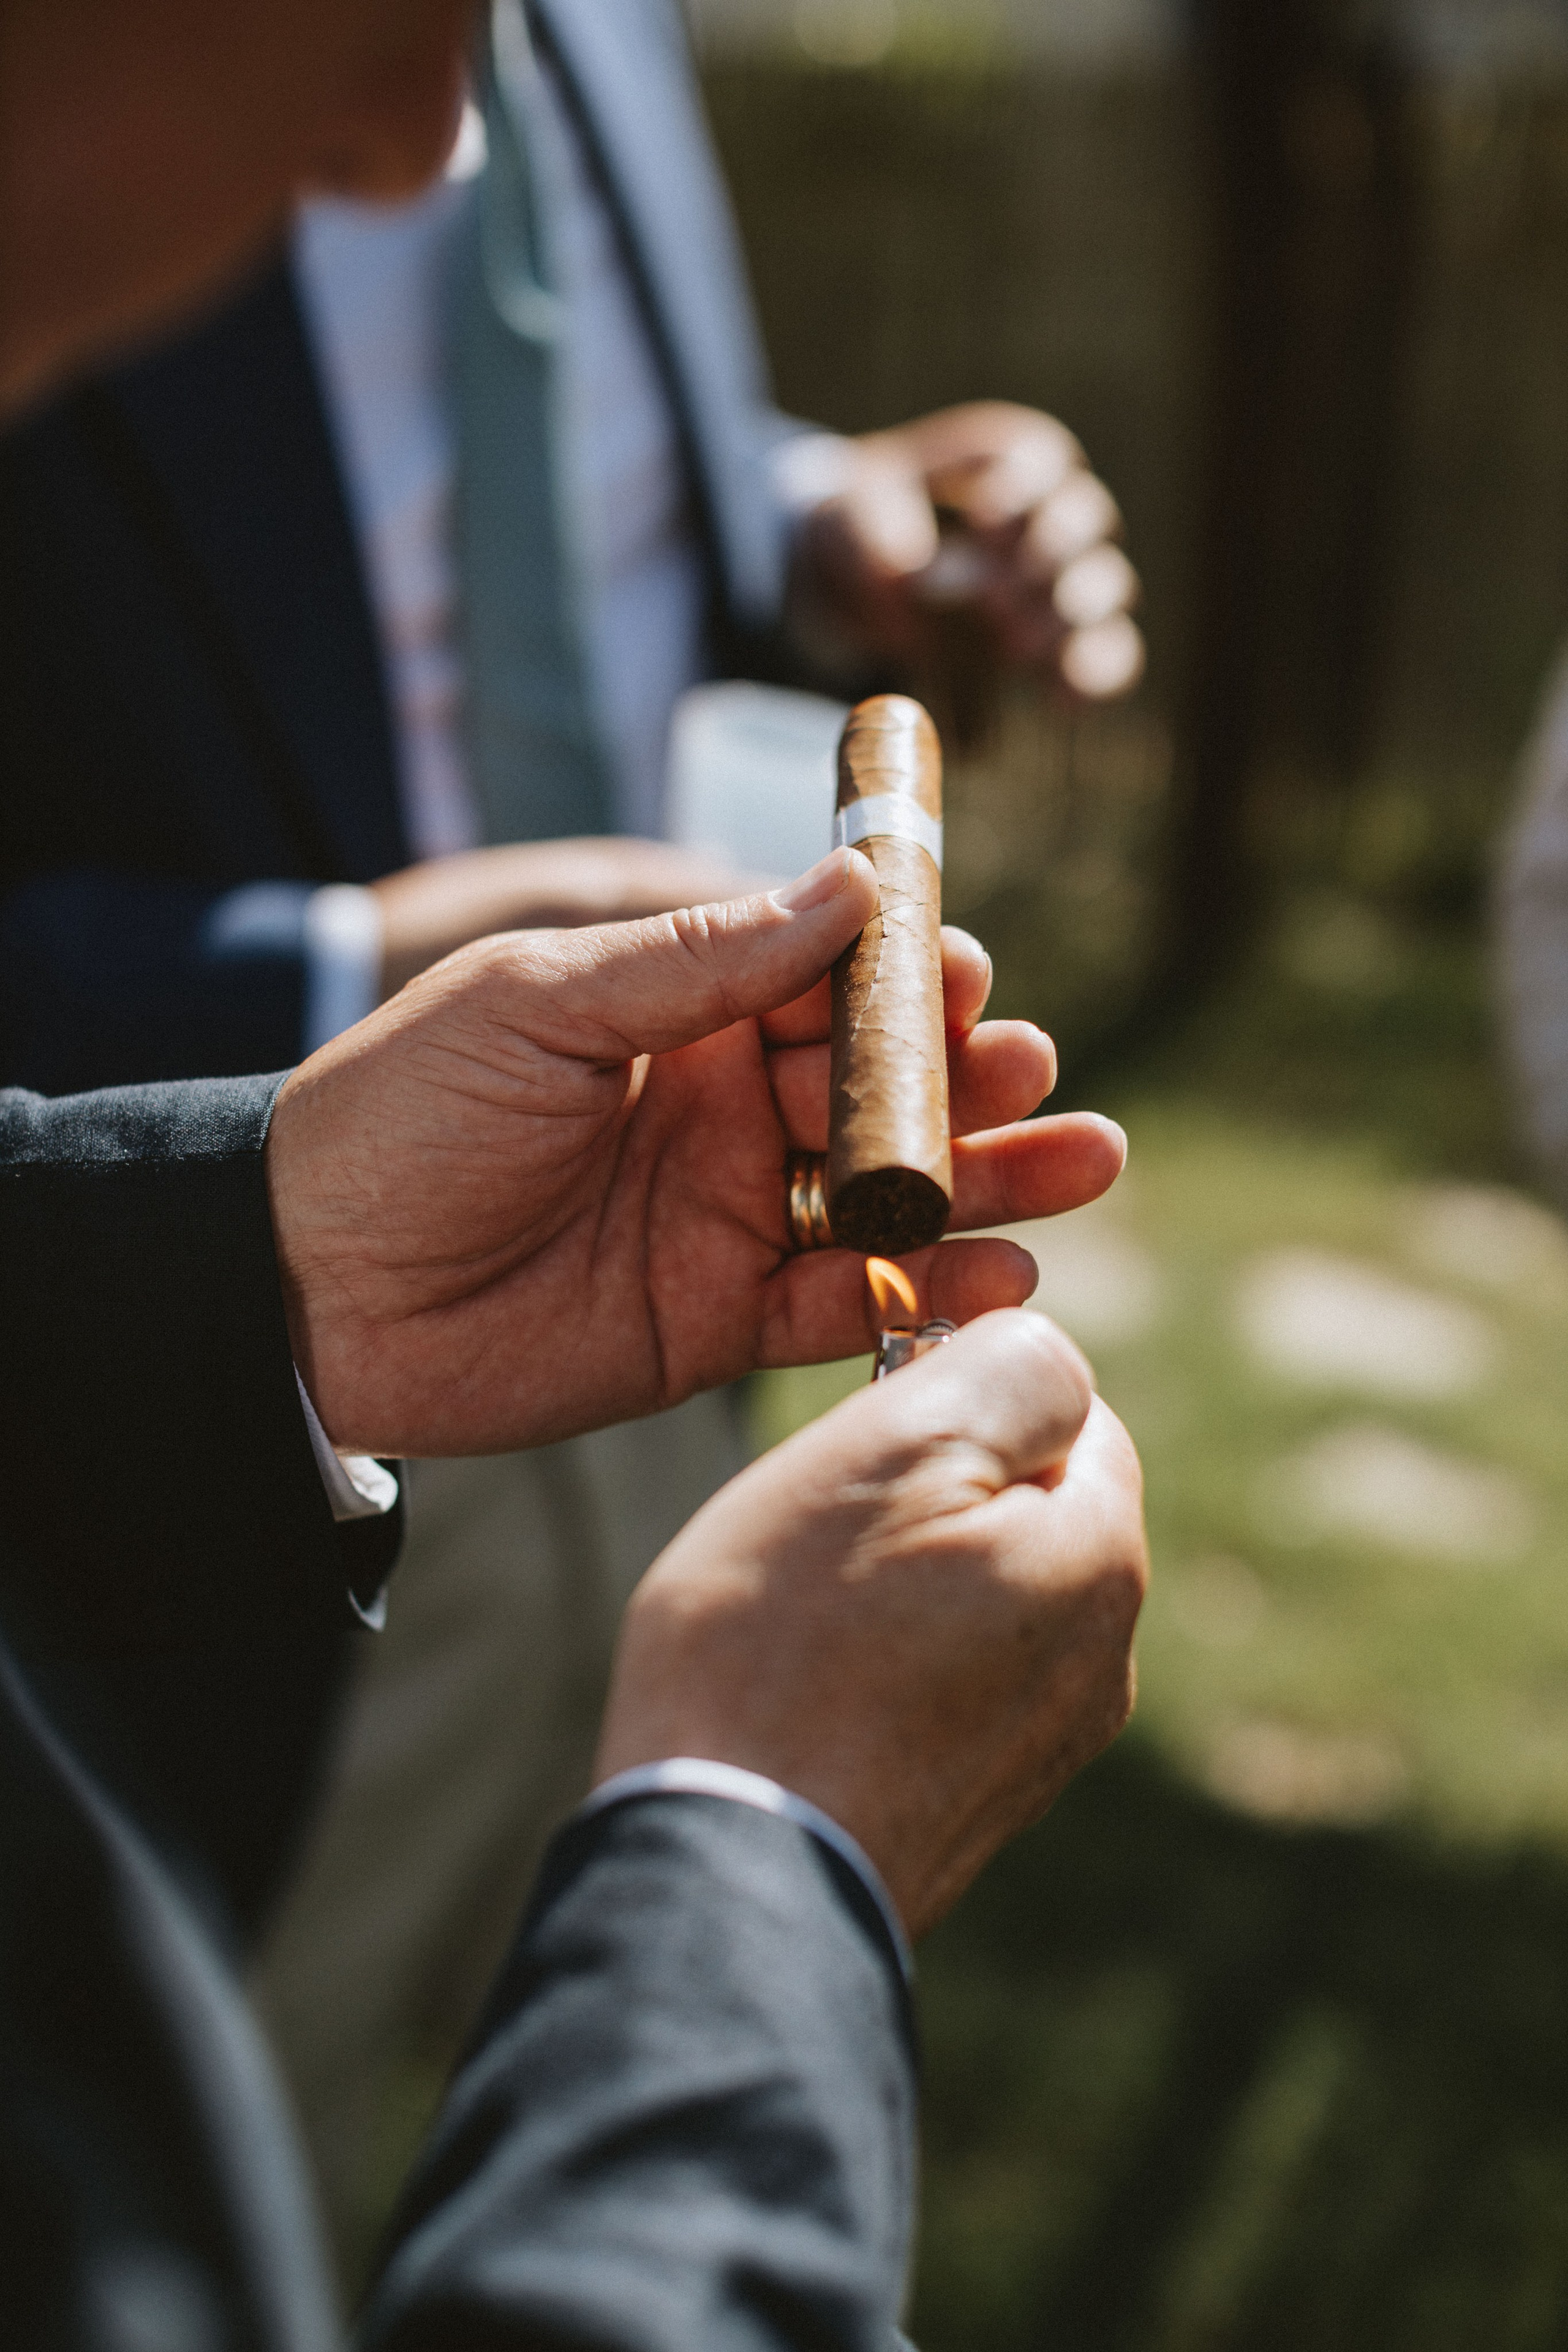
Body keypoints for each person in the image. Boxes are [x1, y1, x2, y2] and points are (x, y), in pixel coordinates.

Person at [1, 2, 1150, 2339]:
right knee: (258, 2104)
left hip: (530, 1256)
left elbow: (526, 428)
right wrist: (760, 1854)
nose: (425, 119)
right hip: (256, 1463)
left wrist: (263, 1258)